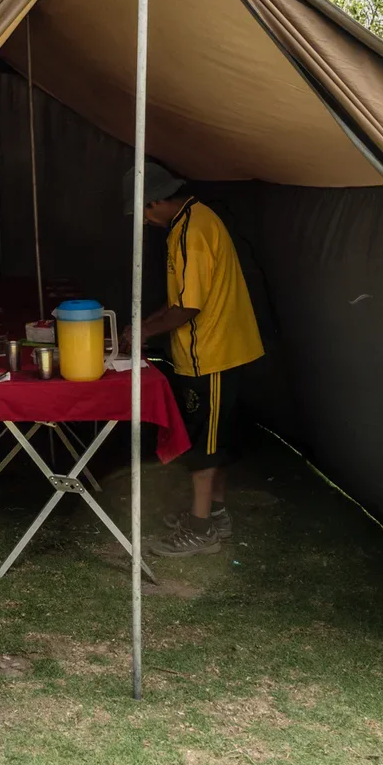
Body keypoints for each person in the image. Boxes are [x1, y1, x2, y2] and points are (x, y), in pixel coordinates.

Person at [134, 162, 263, 556]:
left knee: (203, 445)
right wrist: (142, 324)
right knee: (215, 438)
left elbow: (188, 309)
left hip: (212, 353)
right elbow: (178, 301)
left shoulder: (191, 232)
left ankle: (201, 527)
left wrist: (141, 334)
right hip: (221, 349)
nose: (145, 220)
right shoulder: (192, 219)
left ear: (155, 200)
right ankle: (215, 513)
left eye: (143, 211)